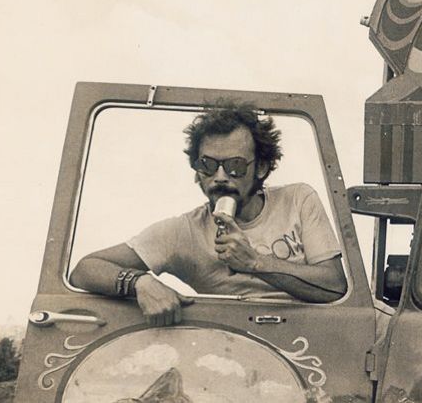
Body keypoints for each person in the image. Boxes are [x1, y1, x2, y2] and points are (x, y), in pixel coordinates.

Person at [70, 102, 347, 325]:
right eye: (208, 165)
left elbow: (335, 287)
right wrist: (139, 282)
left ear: (261, 168)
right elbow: (85, 269)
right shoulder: (184, 231)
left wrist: (255, 263)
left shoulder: (297, 200)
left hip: (310, 336)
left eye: (235, 166)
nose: (220, 177)